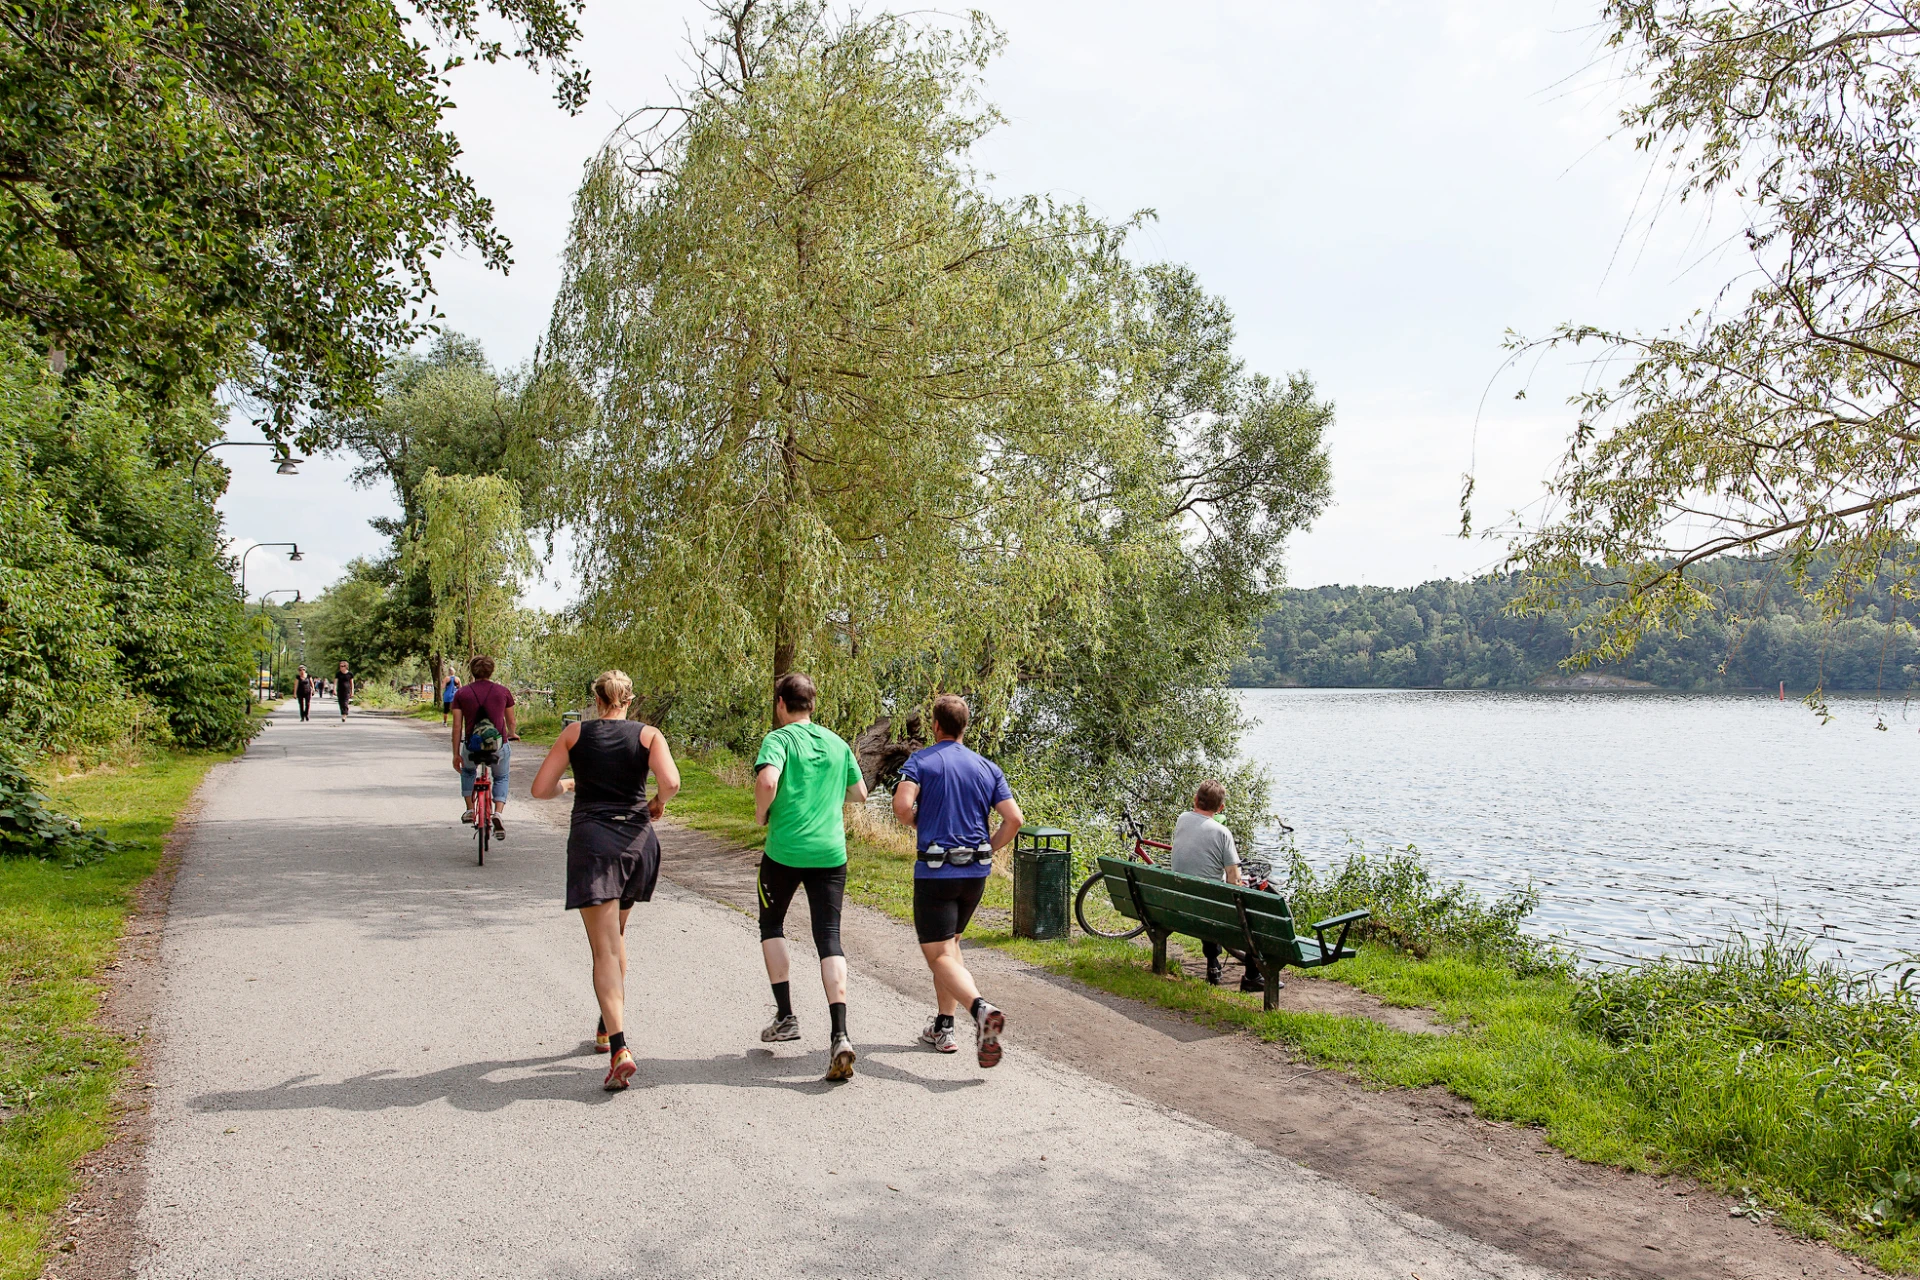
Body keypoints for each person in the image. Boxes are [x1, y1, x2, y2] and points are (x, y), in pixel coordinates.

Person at [530, 670, 681, 1091]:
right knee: (616, 937)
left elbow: (540, 789)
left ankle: (618, 1046)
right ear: (629, 699)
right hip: (637, 845)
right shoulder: (649, 735)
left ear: (596, 700)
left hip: (593, 844)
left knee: (604, 949)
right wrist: (656, 803)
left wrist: (568, 783)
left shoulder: (574, 734)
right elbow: (671, 782)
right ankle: (605, 1023)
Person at [891, 694, 1022, 1067]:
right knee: (951, 948)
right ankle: (943, 1026)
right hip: (975, 875)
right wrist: (991, 849)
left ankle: (981, 1010)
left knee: (938, 955)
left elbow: (902, 807)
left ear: (935, 725)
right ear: (965, 727)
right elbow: (1014, 819)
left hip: (936, 872)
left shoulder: (921, 761)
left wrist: (920, 822)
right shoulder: (987, 768)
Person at [753, 672, 867, 1081]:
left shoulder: (778, 740)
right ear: (813, 706)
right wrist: (828, 793)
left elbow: (767, 779)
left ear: (781, 703)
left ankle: (786, 1017)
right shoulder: (837, 743)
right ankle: (840, 1034)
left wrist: (762, 812)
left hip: (784, 853)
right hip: (830, 854)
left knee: (772, 924)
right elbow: (861, 794)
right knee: (829, 938)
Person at [1170, 780, 1268, 992]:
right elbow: (1234, 880)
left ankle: (1213, 964)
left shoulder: (1182, 819)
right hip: (1209, 911)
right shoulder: (1222, 833)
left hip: (1180, 906)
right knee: (1255, 912)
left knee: (1207, 895)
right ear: (1221, 808)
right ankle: (1253, 975)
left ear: (1195, 800)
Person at [451, 657, 517, 838]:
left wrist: (456, 754)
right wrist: (511, 733)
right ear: (491, 671)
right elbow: (511, 720)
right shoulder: (503, 692)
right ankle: (498, 813)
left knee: (468, 772)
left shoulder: (461, 694)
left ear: (472, 671)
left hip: (472, 748)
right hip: (497, 746)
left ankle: (470, 809)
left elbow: (457, 726)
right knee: (501, 776)